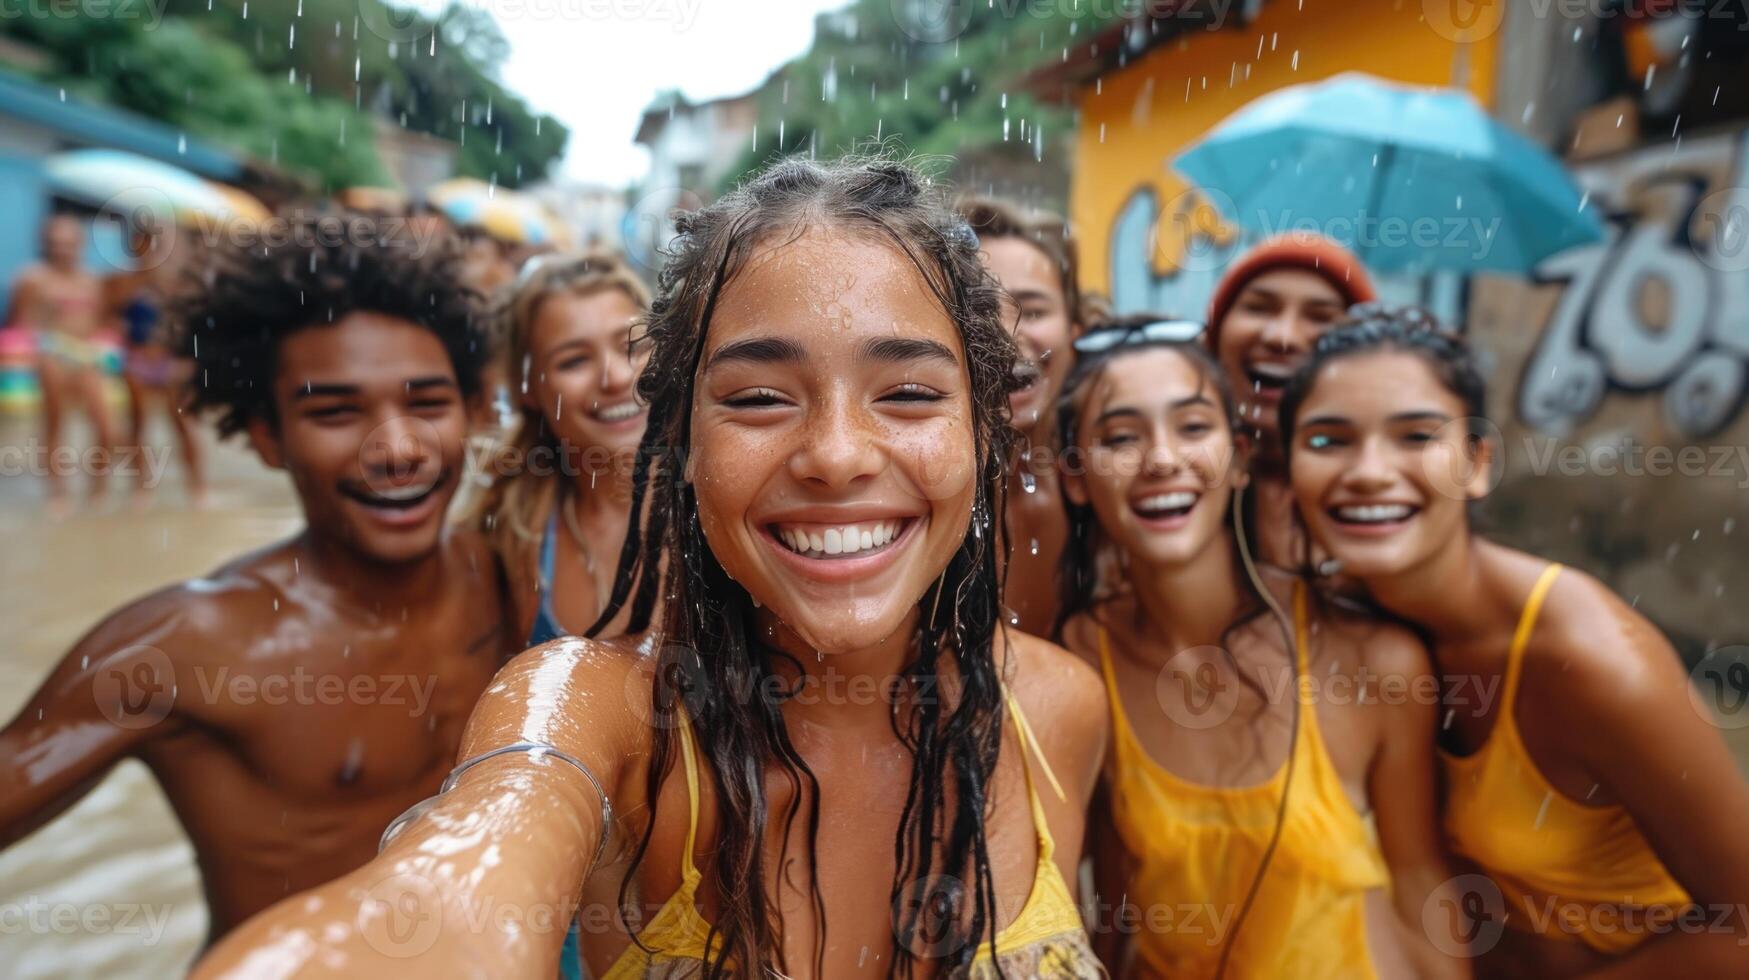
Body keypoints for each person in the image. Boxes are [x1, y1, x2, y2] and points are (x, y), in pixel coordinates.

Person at [194, 156, 1109, 979]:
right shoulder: (600, 714)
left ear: (985, 431)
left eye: (908, 394)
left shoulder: (1062, 712)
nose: (836, 455)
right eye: (756, 398)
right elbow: (480, 850)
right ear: (676, 444)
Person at [0, 218, 513, 948]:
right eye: (334, 412)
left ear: (472, 410)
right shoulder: (188, 644)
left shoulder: (509, 573)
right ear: (267, 436)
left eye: (427, 404)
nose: (396, 449)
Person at [1281, 307, 1749, 978]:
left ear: (1477, 463)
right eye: (1327, 441)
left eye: (1415, 435)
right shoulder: (1346, 626)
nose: (1368, 471)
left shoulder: (1593, 664)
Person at [1052, 315, 1464, 979]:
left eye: (1192, 426)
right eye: (1121, 436)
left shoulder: (1372, 660)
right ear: (1074, 477)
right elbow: (1114, 905)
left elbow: (1421, 890)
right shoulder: (1080, 656)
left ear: (1240, 457)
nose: (1161, 459)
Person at [472, 252, 652, 646]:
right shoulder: (507, 532)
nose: (616, 377)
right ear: (528, 389)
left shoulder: (724, 506)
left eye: (634, 345)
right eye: (574, 361)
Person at [1204, 233, 1375, 571]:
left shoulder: (1385, 497)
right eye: (1258, 307)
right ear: (1214, 339)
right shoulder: (1164, 476)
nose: (1282, 337)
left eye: (1320, 316)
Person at [959, 197, 1084, 637]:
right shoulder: (921, 494)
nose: (1006, 335)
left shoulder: (1117, 477)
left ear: (1076, 329)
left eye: (1032, 310)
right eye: (980, 310)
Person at [4, 213, 117, 516]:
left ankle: (97, 490)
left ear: (79, 245)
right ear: (45, 244)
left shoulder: (93, 280)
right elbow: (19, 321)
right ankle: (58, 494)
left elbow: (101, 321)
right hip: (52, 351)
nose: (62, 249)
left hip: (85, 354)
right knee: (56, 424)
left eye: (68, 243)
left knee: (107, 429)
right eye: (55, 243)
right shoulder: (31, 277)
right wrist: (34, 354)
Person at [107, 222, 206, 507]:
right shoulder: (122, 280)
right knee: (137, 424)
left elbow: (190, 323)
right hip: (137, 359)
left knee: (183, 423)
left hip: (170, 360)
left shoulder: (177, 281)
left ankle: (197, 487)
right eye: (143, 242)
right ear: (135, 244)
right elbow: (110, 318)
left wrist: (188, 361)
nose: (149, 248)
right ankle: (141, 488)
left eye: (154, 242)